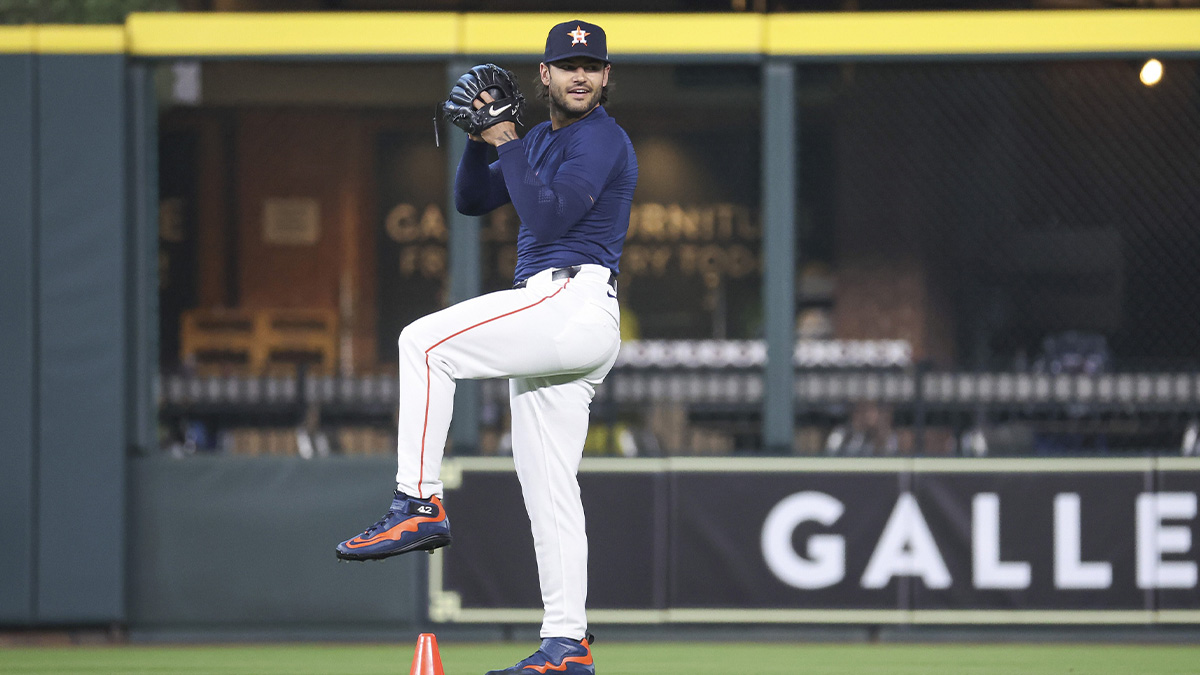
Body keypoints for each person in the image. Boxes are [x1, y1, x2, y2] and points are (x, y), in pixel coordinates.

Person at [336, 19, 636, 675]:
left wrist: (504, 136)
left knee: (423, 341)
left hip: (572, 301)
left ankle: (416, 502)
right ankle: (567, 645)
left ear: (606, 76)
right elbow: (473, 198)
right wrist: (482, 140)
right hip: (562, 316)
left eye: (592, 66)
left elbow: (551, 216)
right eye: (567, 64)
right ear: (545, 74)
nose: (580, 74)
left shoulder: (603, 139)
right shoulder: (540, 139)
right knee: (549, 487)